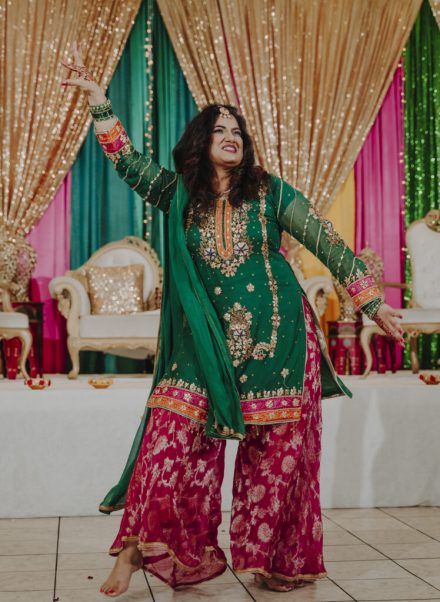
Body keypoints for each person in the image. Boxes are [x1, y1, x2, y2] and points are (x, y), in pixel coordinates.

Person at [61, 42, 404, 597]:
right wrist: (100, 101)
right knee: (167, 440)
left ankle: (274, 559)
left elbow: (326, 240)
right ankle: (135, 548)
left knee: (277, 457)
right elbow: (127, 162)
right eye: (219, 129)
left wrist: (371, 301)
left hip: (278, 340)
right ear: (201, 142)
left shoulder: (269, 192)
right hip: (205, 343)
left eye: (237, 131)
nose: (230, 136)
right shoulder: (178, 195)